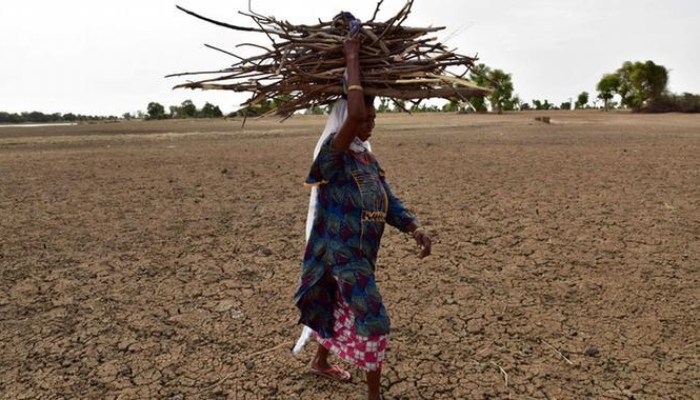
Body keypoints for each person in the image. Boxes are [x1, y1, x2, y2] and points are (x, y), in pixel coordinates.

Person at [293, 26, 432, 400]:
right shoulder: (332, 159)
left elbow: (385, 197)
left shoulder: (366, 158)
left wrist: (413, 227)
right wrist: (352, 57)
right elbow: (353, 112)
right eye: (365, 119)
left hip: (362, 256)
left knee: (334, 305)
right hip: (340, 256)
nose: (370, 123)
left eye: (373, 119)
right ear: (346, 121)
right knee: (375, 321)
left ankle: (319, 362)